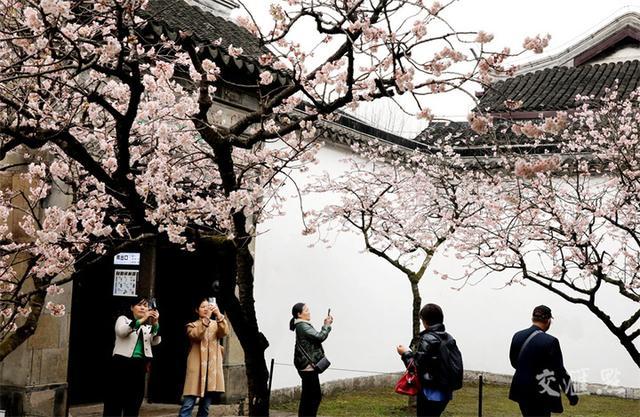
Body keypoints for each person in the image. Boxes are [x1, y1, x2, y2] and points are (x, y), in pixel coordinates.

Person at [509, 305, 579, 417]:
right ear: (548, 320)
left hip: (520, 390)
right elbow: (560, 372)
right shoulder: (551, 342)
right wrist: (571, 395)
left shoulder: (517, 336)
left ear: (533, 318)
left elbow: (514, 362)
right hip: (541, 393)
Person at [397, 303, 461, 417]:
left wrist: (405, 353)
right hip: (445, 392)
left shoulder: (428, 339)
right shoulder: (448, 338)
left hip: (430, 392)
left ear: (424, 321)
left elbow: (415, 367)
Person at [103, 297, 161, 417]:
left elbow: (155, 341)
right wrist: (143, 319)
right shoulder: (123, 319)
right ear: (131, 307)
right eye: (139, 305)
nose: (142, 308)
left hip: (139, 366)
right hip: (121, 364)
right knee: (115, 400)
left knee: (134, 402)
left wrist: (155, 323)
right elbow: (122, 332)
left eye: (145, 306)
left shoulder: (147, 328)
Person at [179, 298, 229, 417]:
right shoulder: (192, 325)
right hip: (196, 368)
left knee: (205, 407)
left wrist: (218, 314)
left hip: (211, 370)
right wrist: (206, 319)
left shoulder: (216, 325)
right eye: (202, 307)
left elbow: (225, 332)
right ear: (197, 310)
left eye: (208, 306)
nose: (206, 309)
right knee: (188, 404)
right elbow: (196, 335)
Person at [290, 303, 333, 417]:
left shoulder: (302, 325)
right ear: (299, 314)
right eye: (306, 310)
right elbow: (320, 337)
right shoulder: (302, 326)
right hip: (307, 366)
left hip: (305, 365)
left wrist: (325, 324)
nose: (309, 312)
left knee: (307, 396)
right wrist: (327, 325)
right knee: (315, 397)